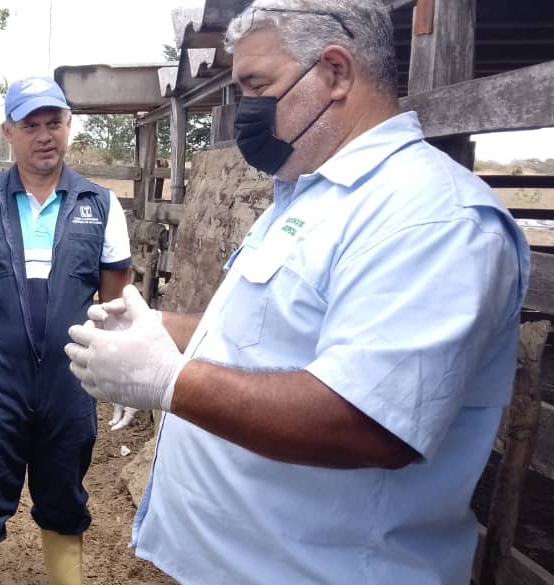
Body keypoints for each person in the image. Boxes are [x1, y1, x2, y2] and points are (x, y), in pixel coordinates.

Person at [65, 2, 531, 584]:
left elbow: (370, 422)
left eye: (257, 86)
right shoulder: (309, 196)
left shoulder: (430, 218)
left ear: (335, 73)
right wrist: (155, 328)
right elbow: (257, 333)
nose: (245, 112)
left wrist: (168, 380)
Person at [0, 77, 132, 585]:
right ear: (8, 132)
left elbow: (117, 304)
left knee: (64, 501)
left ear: (68, 127)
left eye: (54, 123)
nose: (44, 135)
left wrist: (124, 373)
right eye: (31, 125)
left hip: (69, 384)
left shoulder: (100, 205)